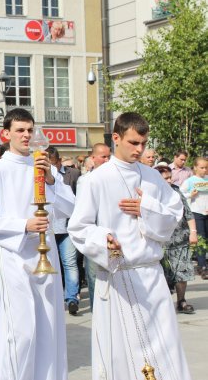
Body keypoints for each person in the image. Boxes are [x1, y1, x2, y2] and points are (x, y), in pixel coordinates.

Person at [68, 112, 190, 380]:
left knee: (163, 345)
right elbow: (78, 227)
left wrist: (147, 208)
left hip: (152, 275)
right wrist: (105, 240)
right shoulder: (95, 179)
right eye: (133, 142)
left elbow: (174, 213)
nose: (140, 149)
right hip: (118, 274)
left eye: (143, 143)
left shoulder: (152, 177)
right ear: (116, 137)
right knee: (123, 352)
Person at [0, 108, 74, 380]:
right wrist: (23, 225)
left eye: (30, 130)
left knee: (50, 325)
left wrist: (52, 180)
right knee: (21, 329)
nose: (26, 135)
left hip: (48, 255)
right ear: (5, 134)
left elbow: (70, 208)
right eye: (20, 130)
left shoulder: (44, 166)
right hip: (16, 257)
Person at [156, 165, 198, 313]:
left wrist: (193, 232)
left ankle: (181, 301)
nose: (169, 180)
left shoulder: (176, 191)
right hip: (160, 240)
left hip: (180, 238)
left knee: (182, 271)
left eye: (170, 177)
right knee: (163, 274)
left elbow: (188, 213)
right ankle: (163, 303)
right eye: (165, 178)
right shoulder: (151, 193)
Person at [76, 142, 111, 311]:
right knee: (93, 273)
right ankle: (96, 308)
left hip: (112, 233)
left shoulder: (114, 177)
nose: (106, 160)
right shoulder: (85, 180)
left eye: (108, 156)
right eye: (103, 156)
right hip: (94, 232)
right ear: (93, 158)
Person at [46, 145, 81, 315]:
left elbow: (74, 200)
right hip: (49, 230)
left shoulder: (71, 174)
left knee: (70, 263)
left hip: (66, 228)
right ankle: (56, 297)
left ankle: (72, 297)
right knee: (53, 265)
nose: (48, 166)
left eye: (51, 162)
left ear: (58, 162)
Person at [180, 157, 208, 278]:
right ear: (195, 167)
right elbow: (180, 194)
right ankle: (202, 266)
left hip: (206, 212)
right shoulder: (190, 181)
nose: (204, 170)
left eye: (206, 167)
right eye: (202, 167)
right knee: (201, 239)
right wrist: (190, 195)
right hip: (196, 212)